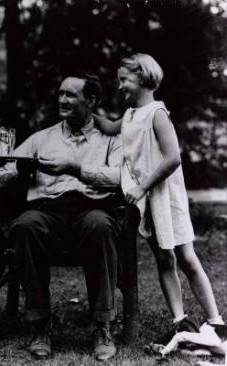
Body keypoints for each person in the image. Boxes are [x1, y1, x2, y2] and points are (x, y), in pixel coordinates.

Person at [0, 73, 123, 361]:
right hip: (47, 213)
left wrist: (76, 168)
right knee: (25, 226)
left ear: (92, 100)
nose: (62, 100)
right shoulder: (42, 138)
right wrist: (18, 172)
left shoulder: (110, 140)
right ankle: (40, 326)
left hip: (91, 210)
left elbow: (121, 178)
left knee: (100, 226)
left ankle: (102, 326)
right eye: (61, 93)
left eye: (71, 95)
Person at [96, 53, 224, 344]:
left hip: (165, 196)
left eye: (124, 79)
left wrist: (141, 188)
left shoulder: (157, 113)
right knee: (163, 259)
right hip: (148, 202)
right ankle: (181, 322)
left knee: (186, 257)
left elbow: (173, 159)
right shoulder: (129, 115)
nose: (120, 86)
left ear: (142, 77)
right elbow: (108, 127)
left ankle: (216, 322)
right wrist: (85, 111)